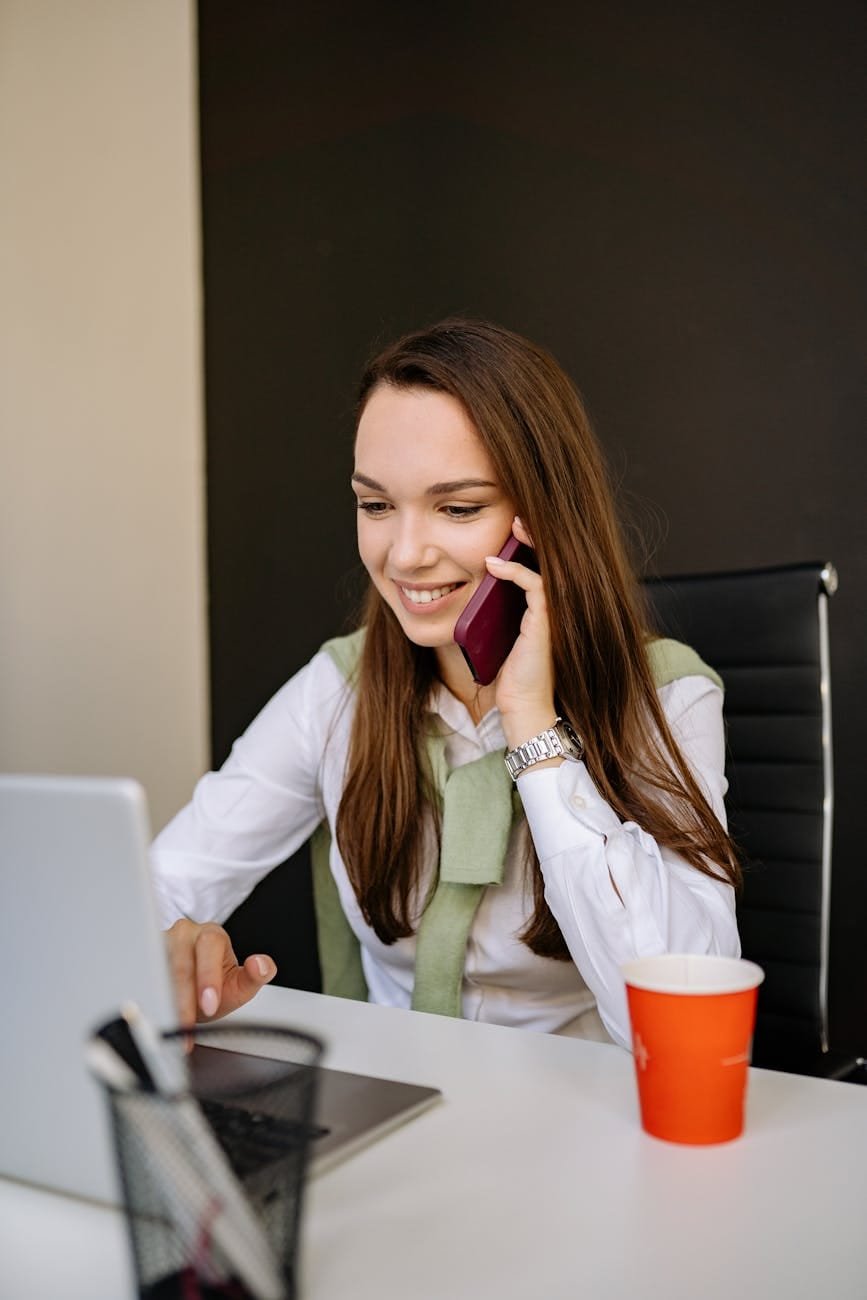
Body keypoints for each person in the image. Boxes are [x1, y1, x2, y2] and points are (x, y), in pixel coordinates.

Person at [151, 317, 741, 1048]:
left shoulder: (666, 696)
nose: (404, 555)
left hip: (584, 1104)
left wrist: (533, 729)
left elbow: (683, 1020)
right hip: (393, 1095)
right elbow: (162, 884)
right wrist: (173, 956)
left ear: (545, 517)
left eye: (458, 508)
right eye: (375, 505)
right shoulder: (338, 689)